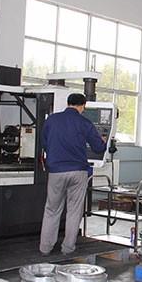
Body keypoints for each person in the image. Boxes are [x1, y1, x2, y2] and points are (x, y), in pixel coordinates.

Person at [40, 93, 107, 256]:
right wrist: (104, 140)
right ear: (83, 106)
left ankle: (45, 248)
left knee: (52, 210)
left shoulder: (52, 120)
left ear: (68, 103)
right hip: (78, 171)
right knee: (74, 211)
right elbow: (98, 147)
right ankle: (68, 248)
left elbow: (44, 143)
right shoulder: (84, 123)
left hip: (56, 171)